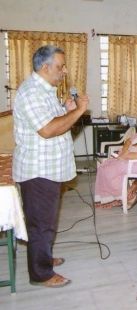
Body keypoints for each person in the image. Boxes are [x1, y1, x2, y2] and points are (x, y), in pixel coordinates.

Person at [13, 45, 89, 287]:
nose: (64, 71)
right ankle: (41, 274)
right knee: (41, 224)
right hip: (38, 170)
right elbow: (48, 130)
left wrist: (66, 110)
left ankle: (43, 258)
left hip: (50, 169)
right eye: (60, 66)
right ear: (45, 67)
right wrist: (78, 112)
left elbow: (53, 120)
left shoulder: (46, 90)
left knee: (46, 220)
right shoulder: (32, 92)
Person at [94, 110, 137, 209]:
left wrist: (125, 156)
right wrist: (124, 151)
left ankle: (126, 197)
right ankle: (120, 196)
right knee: (104, 167)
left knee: (110, 170)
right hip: (130, 158)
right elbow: (129, 140)